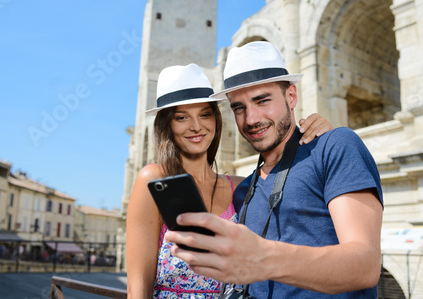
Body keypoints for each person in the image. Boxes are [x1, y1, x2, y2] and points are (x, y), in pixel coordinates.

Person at [165, 42, 384, 298]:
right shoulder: (244, 189)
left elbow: (365, 266)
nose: (251, 118)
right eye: (239, 107)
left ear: (291, 96)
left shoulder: (334, 146)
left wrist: (263, 258)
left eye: (262, 100)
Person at [126, 63, 332, 298]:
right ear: (167, 125)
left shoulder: (242, 186)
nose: (196, 126)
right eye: (181, 117)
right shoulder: (154, 179)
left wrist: (316, 135)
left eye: (205, 114)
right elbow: (137, 287)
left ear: (216, 119)